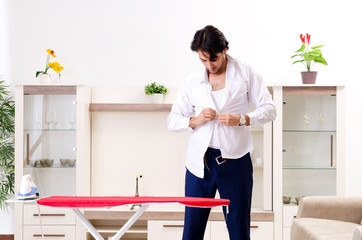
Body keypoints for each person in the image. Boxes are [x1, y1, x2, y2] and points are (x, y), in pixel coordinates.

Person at [167, 25, 276, 240]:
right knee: (191, 232)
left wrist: (244, 119)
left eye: (213, 59)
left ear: (225, 50)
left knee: (238, 231)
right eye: (203, 60)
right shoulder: (191, 82)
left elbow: (270, 110)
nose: (209, 65)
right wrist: (194, 120)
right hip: (200, 165)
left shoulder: (246, 73)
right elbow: (173, 120)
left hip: (236, 162)